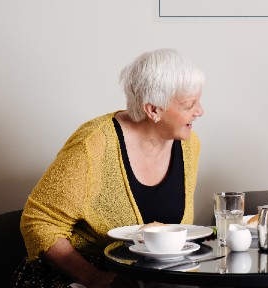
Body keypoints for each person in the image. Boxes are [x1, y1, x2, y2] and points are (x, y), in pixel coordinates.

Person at [13, 48, 205, 288]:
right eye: (190, 105)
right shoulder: (92, 143)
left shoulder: (188, 145)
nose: (200, 111)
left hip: (149, 279)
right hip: (81, 274)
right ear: (153, 109)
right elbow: (38, 222)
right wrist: (94, 277)